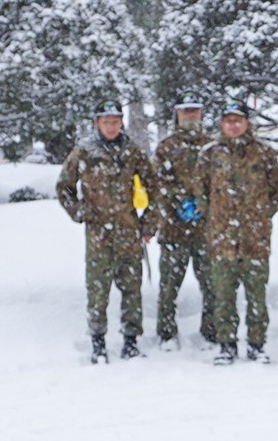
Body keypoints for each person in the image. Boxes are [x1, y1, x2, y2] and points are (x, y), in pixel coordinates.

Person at [55, 99, 157, 363]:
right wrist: (79, 213)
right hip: (98, 234)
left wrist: (149, 223)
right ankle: (98, 343)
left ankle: (130, 341)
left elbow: (155, 188)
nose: (111, 126)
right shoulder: (85, 152)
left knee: (132, 289)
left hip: (128, 232)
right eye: (105, 121)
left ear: (122, 122)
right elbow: (64, 186)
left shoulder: (132, 151)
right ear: (96, 123)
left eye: (115, 121)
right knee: (98, 290)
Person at [201, 100, 278, 364]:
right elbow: (200, 190)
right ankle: (226, 344)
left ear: (247, 123)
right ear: (221, 124)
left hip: (254, 239)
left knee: (256, 295)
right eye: (228, 120)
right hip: (223, 239)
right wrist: (218, 218)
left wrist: (257, 217)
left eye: (238, 120)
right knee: (224, 295)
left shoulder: (263, 153)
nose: (233, 125)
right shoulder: (210, 154)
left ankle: (256, 344)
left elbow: (276, 191)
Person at [152, 95, 217, 348]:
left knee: (211, 284)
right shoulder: (166, 147)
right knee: (169, 286)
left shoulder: (213, 146)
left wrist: (203, 204)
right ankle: (166, 333)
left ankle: (211, 330)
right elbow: (157, 182)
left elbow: (220, 183)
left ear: (201, 114)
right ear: (177, 114)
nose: (190, 115)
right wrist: (178, 201)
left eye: (194, 111)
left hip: (206, 230)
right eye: (185, 111)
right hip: (173, 228)